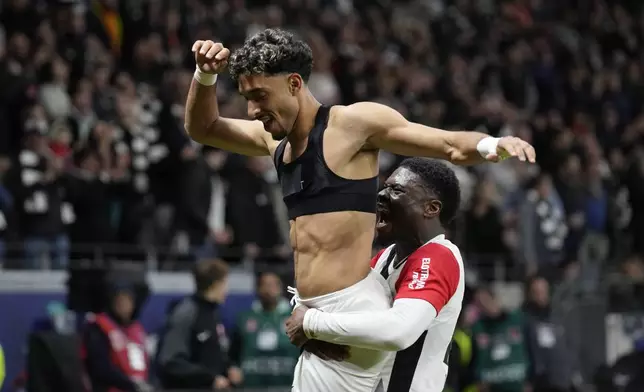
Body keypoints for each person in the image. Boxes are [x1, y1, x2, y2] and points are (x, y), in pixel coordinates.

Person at [186, 28, 535, 392]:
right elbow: (204, 127)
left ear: (293, 84)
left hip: (346, 311)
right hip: (324, 313)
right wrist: (204, 75)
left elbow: (446, 144)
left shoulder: (351, 125)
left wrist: (493, 144)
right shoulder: (272, 141)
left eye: (259, 96)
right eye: (246, 98)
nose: (252, 110)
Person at [285, 157, 465, 392]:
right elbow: (340, 305)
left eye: (396, 190)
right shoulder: (385, 257)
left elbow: (398, 331)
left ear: (431, 208)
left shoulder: (438, 256)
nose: (381, 194)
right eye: (385, 186)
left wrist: (311, 323)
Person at [156, 259, 239, 390]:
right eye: (225, 283)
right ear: (215, 284)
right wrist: (209, 378)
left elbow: (212, 356)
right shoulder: (186, 313)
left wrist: (228, 369)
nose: (227, 290)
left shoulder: (214, 313)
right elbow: (170, 361)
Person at [228, 271, 301, 388]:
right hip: (251, 386)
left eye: (274, 285)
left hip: (287, 386)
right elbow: (232, 355)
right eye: (265, 285)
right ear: (257, 289)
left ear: (281, 288)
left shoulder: (295, 317)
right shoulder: (243, 318)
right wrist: (233, 368)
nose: (269, 289)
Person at [81, 283, 152, 392]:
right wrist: (131, 385)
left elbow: (147, 365)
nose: (123, 305)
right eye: (119, 300)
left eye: (127, 301)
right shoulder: (98, 326)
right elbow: (101, 368)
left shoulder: (137, 329)